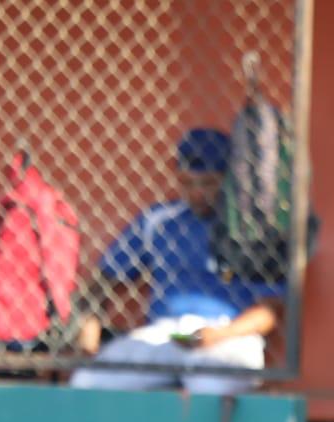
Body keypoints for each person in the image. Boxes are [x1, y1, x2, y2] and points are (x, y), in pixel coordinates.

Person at [70, 128, 284, 395]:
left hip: (228, 335)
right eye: (187, 183)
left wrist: (218, 335)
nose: (196, 193)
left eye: (207, 183)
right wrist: (88, 327)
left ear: (229, 180)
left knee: (212, 387)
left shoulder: (253, 230)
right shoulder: (159, 221)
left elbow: (270, 311)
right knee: (87, 382)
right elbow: (105, 278)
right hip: (167, 334)